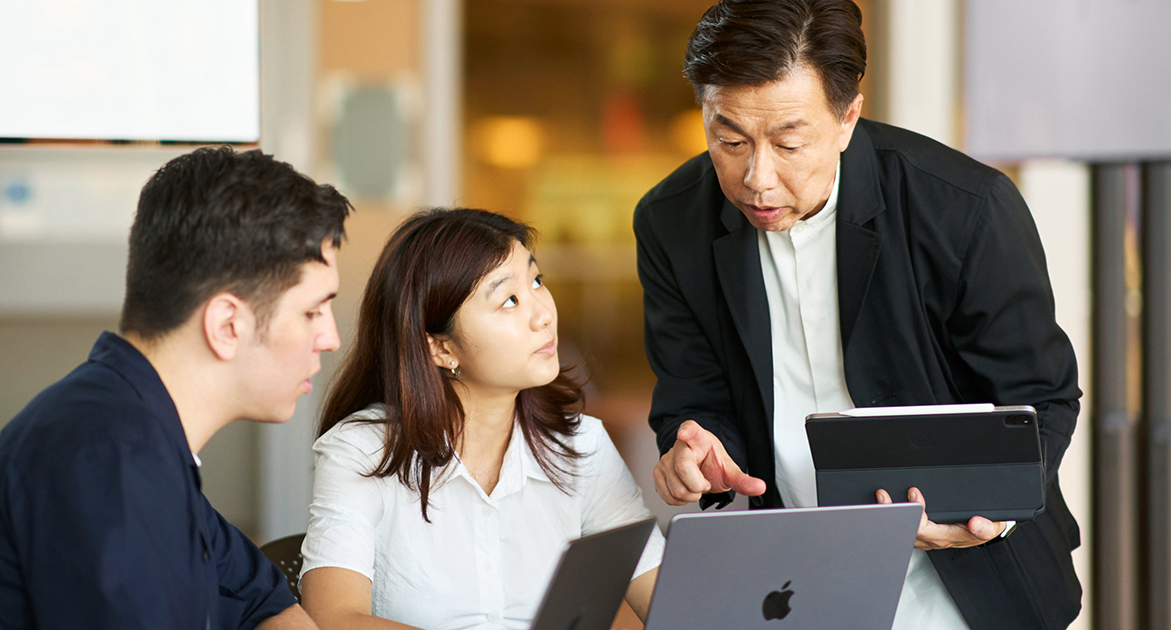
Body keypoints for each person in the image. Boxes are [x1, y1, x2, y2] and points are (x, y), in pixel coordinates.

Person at [634, 1, 1081, 629]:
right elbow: (695, 395)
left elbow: (1041, 397)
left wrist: (986, 509)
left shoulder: (963, 208)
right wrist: (696, 451)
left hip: (973, 582)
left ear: (848, 117)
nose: (757, 178)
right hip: (798, 581)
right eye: (728, 139)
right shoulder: (670, 221)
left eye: (789, 142)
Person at [0, 146, 353, 629]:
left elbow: (262, 599)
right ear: (227, 325)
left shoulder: (142, 432)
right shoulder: (108, 460)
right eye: (312, 311)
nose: (330, 337)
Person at [299, 208, 662, 630]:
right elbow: (332, 618)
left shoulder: (580, 444)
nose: (544, 314)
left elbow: (666, 601)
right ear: (440, 348)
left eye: (537, 281)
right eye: (509, 300)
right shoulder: (362, 451)